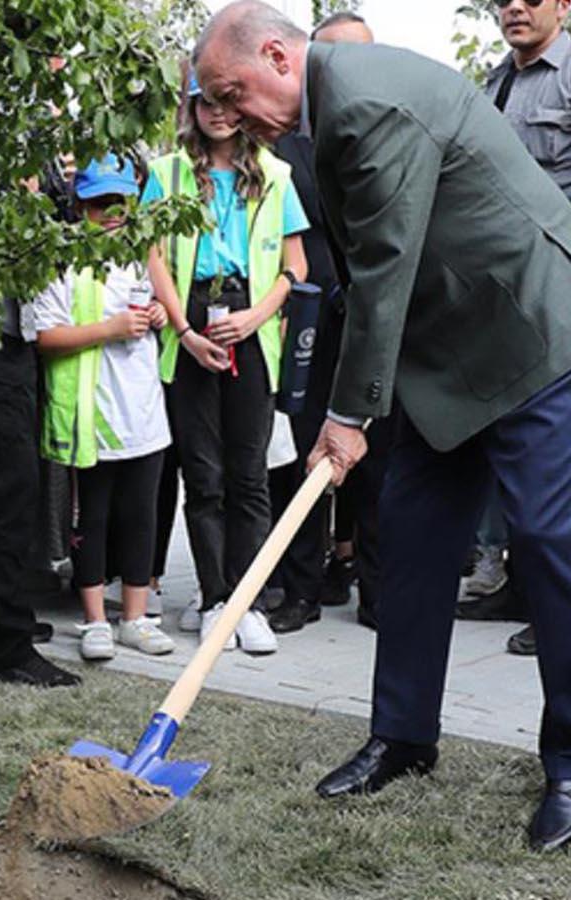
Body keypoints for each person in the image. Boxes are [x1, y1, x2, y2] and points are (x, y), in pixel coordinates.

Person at [195, 0, 571, 851]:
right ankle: (402, 736)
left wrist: (347, 416)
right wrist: (353, 406)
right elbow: (370, 279)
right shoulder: (320, 118)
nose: (229, 117)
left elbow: (387, 265)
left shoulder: (365, 103)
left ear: (276, 58)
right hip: (442, 358)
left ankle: (569, 766)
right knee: (409, 543)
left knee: (550, 545)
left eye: (232, 93)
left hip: (528, 335)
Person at [141, 68, 309, 655]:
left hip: (250, 324)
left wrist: (258, 316)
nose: (215, 112)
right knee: (203, 476)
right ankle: (215, 599)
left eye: (226, 101)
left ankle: (248, 602)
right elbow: (155, 258)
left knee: (250, 477)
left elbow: (297, 268)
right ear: (190, 107)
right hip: (192, 322)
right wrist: (184, 330)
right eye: (203, 101)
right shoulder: (166, 173)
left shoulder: (276, 173)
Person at [33, 156, 176, 662]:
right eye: (99, 203)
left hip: (143, 412)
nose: (112, 213)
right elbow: (46, 337)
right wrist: (110, 330)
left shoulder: (143, 254)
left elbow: (161, 303)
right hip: (90, 416)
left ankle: (134, 616)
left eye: (120, 202)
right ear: (79, 206)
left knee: (142, 515)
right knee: (90, 517)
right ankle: (95, 619)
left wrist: (158, 312)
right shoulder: (62, 262)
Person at [263, 12, 377, 634]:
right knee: (306, 449)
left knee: (376, 458)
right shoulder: (282, 142)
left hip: (374, 323)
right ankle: (301, 587)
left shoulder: (385, 131)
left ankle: (374, 587)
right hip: (307, 319)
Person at [475, 0, 571, 657]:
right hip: (503, 299)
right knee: (513, 458)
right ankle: (517, 588)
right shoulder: (494, 84)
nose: (514, 7)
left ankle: (557, 611)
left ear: (563, 6)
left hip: (560, 288)